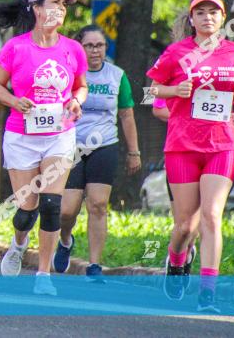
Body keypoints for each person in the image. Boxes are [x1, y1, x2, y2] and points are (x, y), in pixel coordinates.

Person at [147, 0, 234, 312]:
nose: (207, 17)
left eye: (214, 12)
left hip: (221, 145)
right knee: (185, 225)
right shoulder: (176, 52)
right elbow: (152, 90)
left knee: (212, 216)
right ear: (192, 19)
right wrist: (174, 90)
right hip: (182, 147)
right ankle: (176, 259)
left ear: (223, 18)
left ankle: (207, 293)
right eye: (201, 12)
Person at [0, 0, 87, 296]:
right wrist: (15, 102)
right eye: (53, 3)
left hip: (59, 134)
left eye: (63, 4)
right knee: (27, 209)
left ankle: (43, 275)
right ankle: (18, 243)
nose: (59, 9)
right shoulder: (16, 47)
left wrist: (76, 101)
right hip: (22, 135)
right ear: (36, 8)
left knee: (51, 204)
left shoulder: (73, 48)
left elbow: (81, 86)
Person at [52, 25, 140, 282]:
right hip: (71, 145)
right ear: (79, 48)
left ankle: (94, 265)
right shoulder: (67, 73)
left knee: (98, 205)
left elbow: (126, 114)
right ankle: (66, 240)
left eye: (99, 45)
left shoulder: (116, 75)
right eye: (89, 45)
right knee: (67, 210)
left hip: (104, 146)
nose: (95, 51)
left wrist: (133, 151)